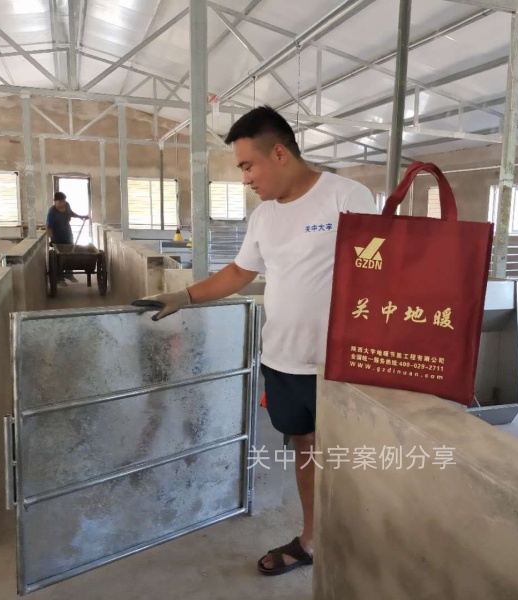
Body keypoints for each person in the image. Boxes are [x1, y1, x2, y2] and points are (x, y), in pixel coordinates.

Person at [134, 106, 376, 576]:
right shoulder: (264, 216)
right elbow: (240, 272)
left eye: (248, 166)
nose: (245, 178)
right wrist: (184, 296)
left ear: (280, 153)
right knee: (305, 445)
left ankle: (362, 545)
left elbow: (379, 270)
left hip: (338, 364)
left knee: (351, 456)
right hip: (284, 360)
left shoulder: (346, 196)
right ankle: (312, 540)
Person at [46, 191, 88, 285]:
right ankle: (60, 278)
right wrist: (52, 239)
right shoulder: (52, 213)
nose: (62, 203)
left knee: (70, 253)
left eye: (63, 201)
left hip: (67, 233)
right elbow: (49, 228)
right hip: (57, 236)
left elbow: (70, 213)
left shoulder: (67, 205)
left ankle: (69, 274)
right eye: (60, 201)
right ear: (55, 201)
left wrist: (80, 217)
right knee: (59, 257)